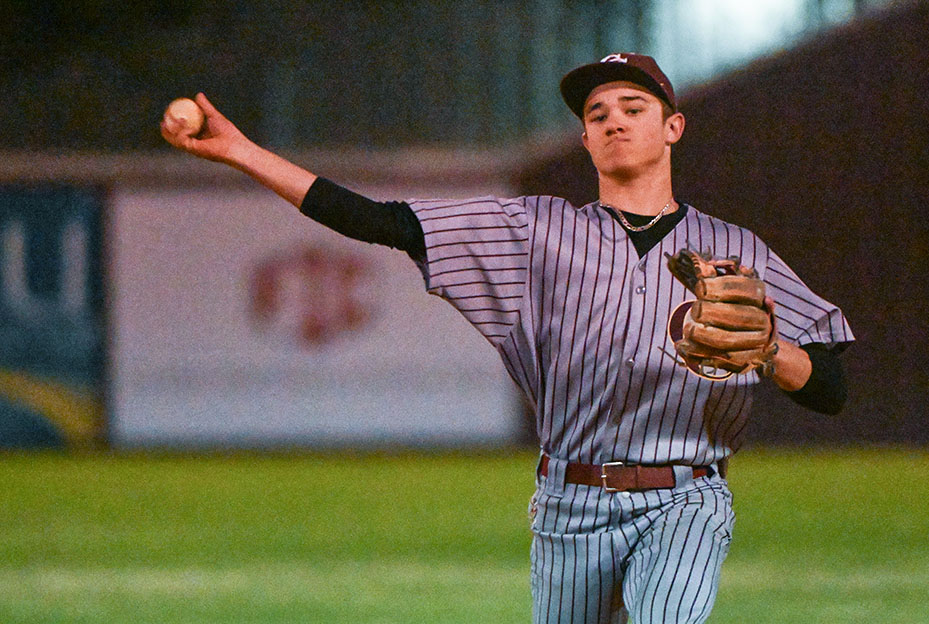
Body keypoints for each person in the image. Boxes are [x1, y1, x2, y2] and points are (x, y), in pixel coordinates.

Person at [162, 53, 853, 624]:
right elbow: (381, 221)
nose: (613, 121)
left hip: (687, 495)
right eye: (597, 114)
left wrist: (771, 353)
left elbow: (831, 388)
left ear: (673, 127)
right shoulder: (534, 232)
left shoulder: (735, 249)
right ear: (585, 140)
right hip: (568, 501)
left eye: (633, 108)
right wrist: (241, 151)